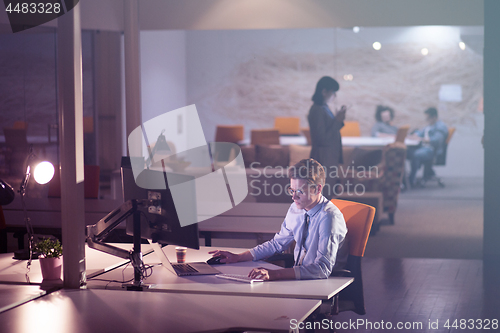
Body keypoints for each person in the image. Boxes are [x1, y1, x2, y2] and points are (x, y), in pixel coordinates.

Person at [209, 158, 348, 281]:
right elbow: (277, 244)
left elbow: (322, 269)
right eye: (292, 190)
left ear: (317, 189)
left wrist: (275, 274)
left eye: (300, 191)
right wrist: (238, 257)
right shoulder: (296, 208)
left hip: (322, 283)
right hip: (301, 278)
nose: (294, 197)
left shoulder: (329, 217)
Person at [307, 76, 346, 198]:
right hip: (323, 158)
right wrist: (337, 121)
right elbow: (322, 139)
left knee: (328, 193)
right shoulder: (317, 110)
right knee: (324, 194)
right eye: (333, 92)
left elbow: (329, 131)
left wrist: (338, 120)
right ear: (324, 91)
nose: (334, 95)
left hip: (329, 157)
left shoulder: (324, 107)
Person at [408, 107, 448, 187]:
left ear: (434, 117)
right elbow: (421, 132)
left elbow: (436, 141)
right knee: (408, 152)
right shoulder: (429, 126)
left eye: (428, 118)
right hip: (423, 148)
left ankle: (411, 180)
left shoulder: (440, 127)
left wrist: (422, 139)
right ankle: (405, 179)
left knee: (416, 154)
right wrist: (415, 135)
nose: (427, 120)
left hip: (432, 150)